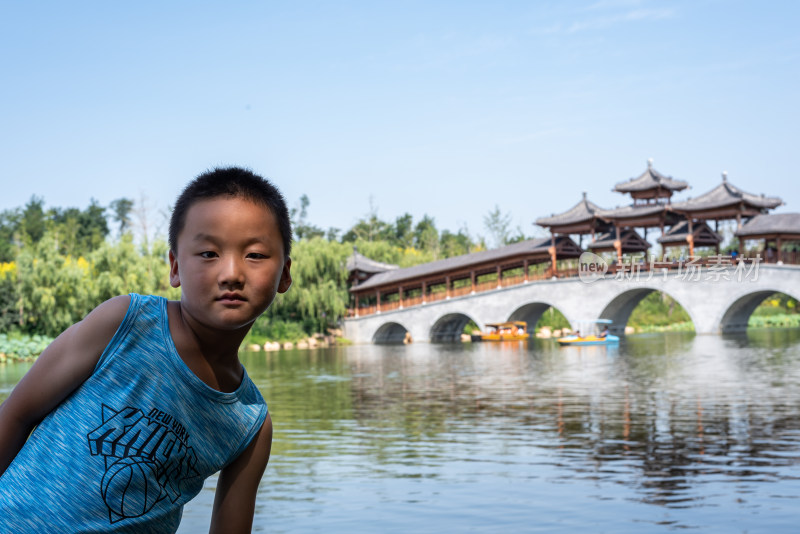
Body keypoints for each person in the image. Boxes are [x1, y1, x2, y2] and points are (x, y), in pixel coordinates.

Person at [0, 167, 293, 533]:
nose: (231, 272)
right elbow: (14, 415)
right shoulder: (124, 323)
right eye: (207, 253)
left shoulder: (250, 424)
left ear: (284, 274)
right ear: (174, 267)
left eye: (254, 255)